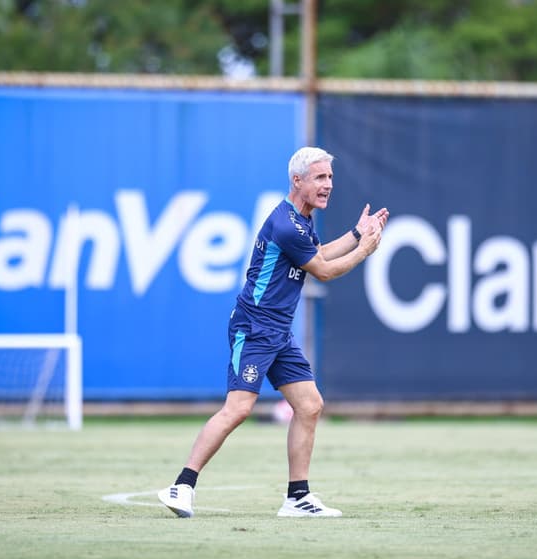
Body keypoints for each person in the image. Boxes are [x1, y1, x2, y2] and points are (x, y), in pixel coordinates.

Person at [158, 146, 389, 518]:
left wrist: (355, 233)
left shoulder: (302, 220)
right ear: (297, 181)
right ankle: (181, 486)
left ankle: (298, 497)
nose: (328, 184)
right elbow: (325, 271)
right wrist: (365, 249)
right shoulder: (287, 223)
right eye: (320, 177)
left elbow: (319, 254)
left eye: (330, 177)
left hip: (278, 331)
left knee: (310, 405)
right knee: (238, 409)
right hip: (253, 328)